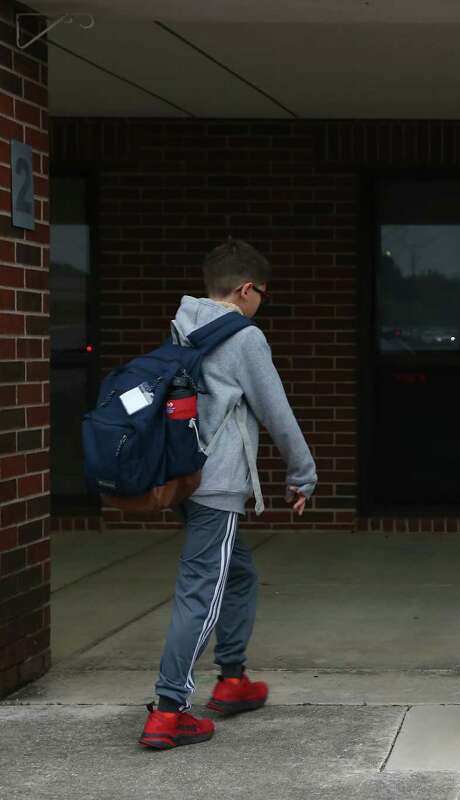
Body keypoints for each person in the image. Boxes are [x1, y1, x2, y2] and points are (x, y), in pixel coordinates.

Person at [139, 239, 318, 749]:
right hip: (216, 483)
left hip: (184, 476)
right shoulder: (244, 338)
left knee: (236, 575)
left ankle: (234, 679)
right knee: (202, 590)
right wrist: (302, 474)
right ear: (244, 290)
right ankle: (169, 710)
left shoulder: (182, 325)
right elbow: (275, 411)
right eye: (261, 293)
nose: (262, 302)